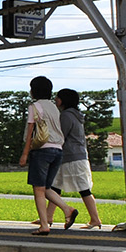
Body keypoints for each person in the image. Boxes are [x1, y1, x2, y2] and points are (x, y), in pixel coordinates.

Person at [18, 76, 74, 236]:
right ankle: (67, 209)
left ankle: (44, 225)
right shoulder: (53, 107)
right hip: (58, 150)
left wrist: (24, 154)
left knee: (38, 189)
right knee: (46, 188)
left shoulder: (34, 106)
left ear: (34, 90)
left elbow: (30, 132)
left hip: (42, 150)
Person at [45, 89, 103, 230]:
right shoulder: (75, 115)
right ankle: (47, 217)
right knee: (55, 187)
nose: (56, 100)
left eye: (58, 98)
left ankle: (95, 219)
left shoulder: (66, 116)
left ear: (64, 100)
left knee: (84, 190)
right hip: (72, 156)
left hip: (72, 157)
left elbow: (61, 135)